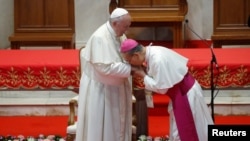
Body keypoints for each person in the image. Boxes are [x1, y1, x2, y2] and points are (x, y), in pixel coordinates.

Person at [120, 39, 214, 141]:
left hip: (185, 95)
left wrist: (142, 75)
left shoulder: (157, 59)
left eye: (129, 61)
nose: (130, 64)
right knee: (181, 130)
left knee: (187, 131)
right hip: (180, 94)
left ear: (136, 55)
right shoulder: (152, 51)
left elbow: (162, 88)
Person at [75, 8, 134, 141]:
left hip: (115, 87)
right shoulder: (99, 37)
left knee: (115, 126)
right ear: (115, 24)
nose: (127, 30)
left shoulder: (120, 34)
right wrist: (132, 69)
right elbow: (104, 68)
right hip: (100, 90)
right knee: (102, 127)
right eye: (125, 26)